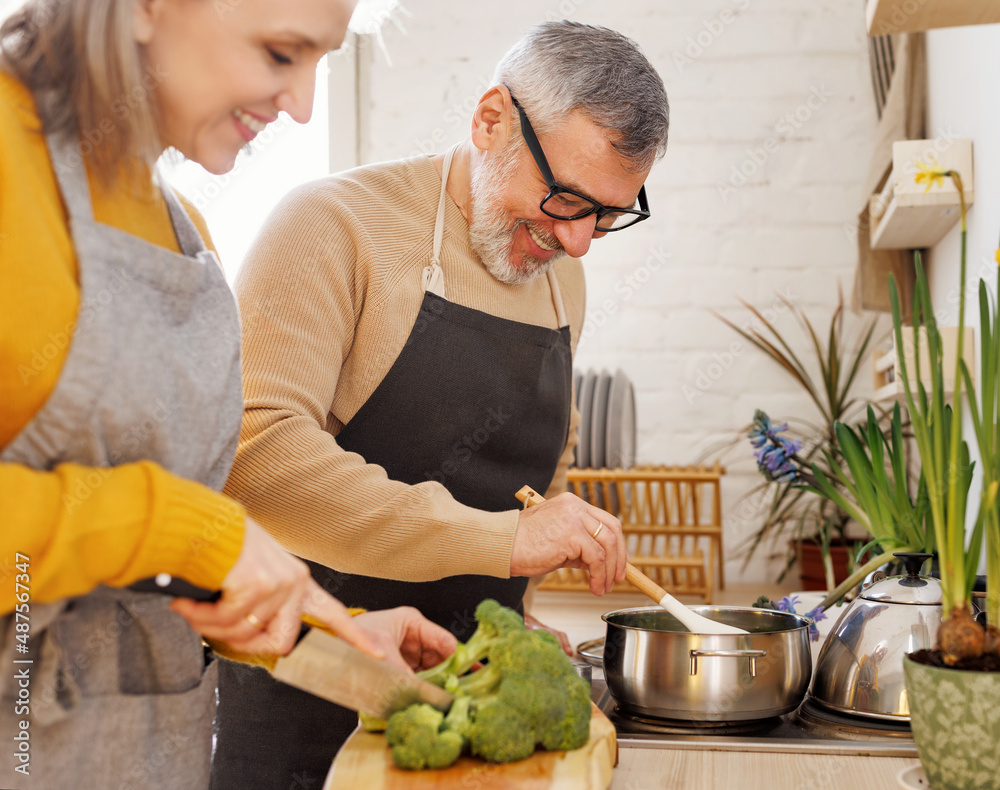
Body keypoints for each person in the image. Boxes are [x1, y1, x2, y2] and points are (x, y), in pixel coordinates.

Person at [0, 1, 457, 788]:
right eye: (282, 53)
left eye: (321, 60)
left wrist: (323, 628)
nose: (304, 103)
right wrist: (188, 530)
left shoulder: (185, 236)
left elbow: (147, 579)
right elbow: (168, 531)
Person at [214, 18, 669, 787]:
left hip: (479, 698)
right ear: (491, 119)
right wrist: (503, 541)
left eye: (607, 213)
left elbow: (540, 465)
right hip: (316, 675)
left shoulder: (562, 274)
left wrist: (518, 614)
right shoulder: (332, 227)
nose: (582, 240)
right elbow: (260, 461)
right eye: (565, 198)